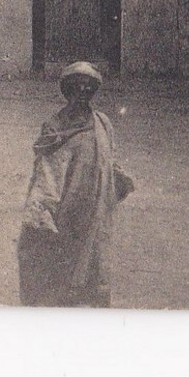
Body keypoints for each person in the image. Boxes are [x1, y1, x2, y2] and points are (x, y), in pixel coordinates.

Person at [17, 61, 135, 308]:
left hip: (95, 209)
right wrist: (43, 209)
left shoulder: (102, 123)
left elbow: (108, 158)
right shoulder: (55, 128)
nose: (83, 92)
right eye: (77, 87)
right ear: (68, 91)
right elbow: (48, 172)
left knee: (94, 265)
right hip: (66, 211)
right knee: (61, 270)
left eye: (89, 88)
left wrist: (119, 178)